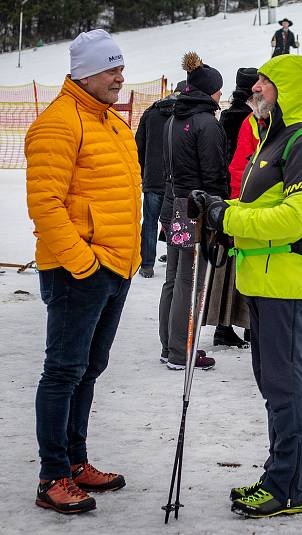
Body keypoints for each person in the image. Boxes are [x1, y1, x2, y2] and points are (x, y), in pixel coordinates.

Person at [191, 54, 302, 518]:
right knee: (273, 383)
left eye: (265, 84)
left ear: (285, 89)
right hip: (263, 278)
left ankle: (288, 487)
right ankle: (279, 474)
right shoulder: (271, 138)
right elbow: (261, 202)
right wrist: (218, 205)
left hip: (286, 282)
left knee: (284, 384)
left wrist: (228, 216)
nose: (256, 91)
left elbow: (295, 218)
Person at [26, 29, 140, 515]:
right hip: (80, 270)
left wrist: (119, 263)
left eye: (120, 67)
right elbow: (45, 206)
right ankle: (53, 474)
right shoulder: (58, 122)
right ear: (85, 73)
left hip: (114, 266)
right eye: (111, 69)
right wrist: (83, 264)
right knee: (63, 372)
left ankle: (76, 461)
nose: (120, 76)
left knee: (89, 369)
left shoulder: (111, 123)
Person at [228, 99, 302, 378]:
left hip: (286, 221)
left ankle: (297, 354)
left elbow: (240, 169)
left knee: (283, 286)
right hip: (289, 224)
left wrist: (237, 208)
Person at [158, 51, 228, 371]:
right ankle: (180, 350)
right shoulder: (205, 123)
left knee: (174, 276)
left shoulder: (174, 117)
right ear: (208, 91)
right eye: (218, 89)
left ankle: (169, 343)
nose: (220, 95)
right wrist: (219, 210)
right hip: (194, 208)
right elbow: (214, 174)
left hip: (175, 204)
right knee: (190, 279)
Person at [204, 67, 260, 350]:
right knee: (239, 264)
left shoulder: (228, 114)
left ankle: (229, 324)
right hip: (237, 196)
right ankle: (240, 325)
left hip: (225, 196)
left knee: (228, 266)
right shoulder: (247, 118)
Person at [135, 80, 186, 278]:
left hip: (152, 178)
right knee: (176, 219)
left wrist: (143, 173)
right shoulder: (184, 116)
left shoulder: (151, 113)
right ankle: (174, 258)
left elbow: (138, 146)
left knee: (150, 222)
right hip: (175, 179)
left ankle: (147, 264)